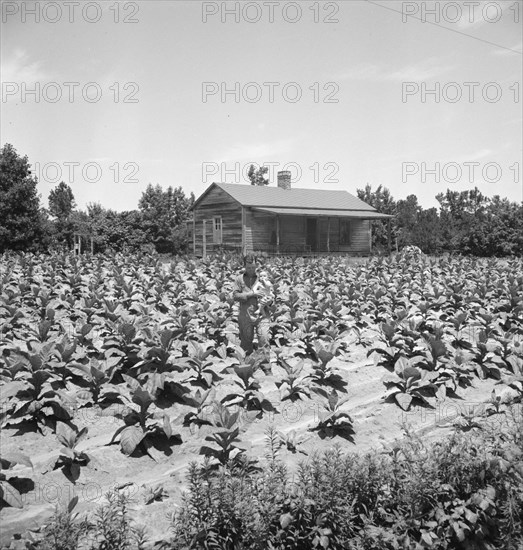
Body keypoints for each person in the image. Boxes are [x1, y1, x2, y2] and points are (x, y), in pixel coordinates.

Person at [232, 254, 273, 356]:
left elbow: (271, 295)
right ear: (244, 266)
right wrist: (251, 294)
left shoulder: (262, 278)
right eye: (248, 267)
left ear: (256, 266)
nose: (251, 269)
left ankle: (266, 367)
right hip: (245, 315)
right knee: (246, 342)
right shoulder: (239, 279)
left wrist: (270, 301)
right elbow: (235, 296)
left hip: (262, 315)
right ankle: (248, 366)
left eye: (253, 267)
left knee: (264, 340)